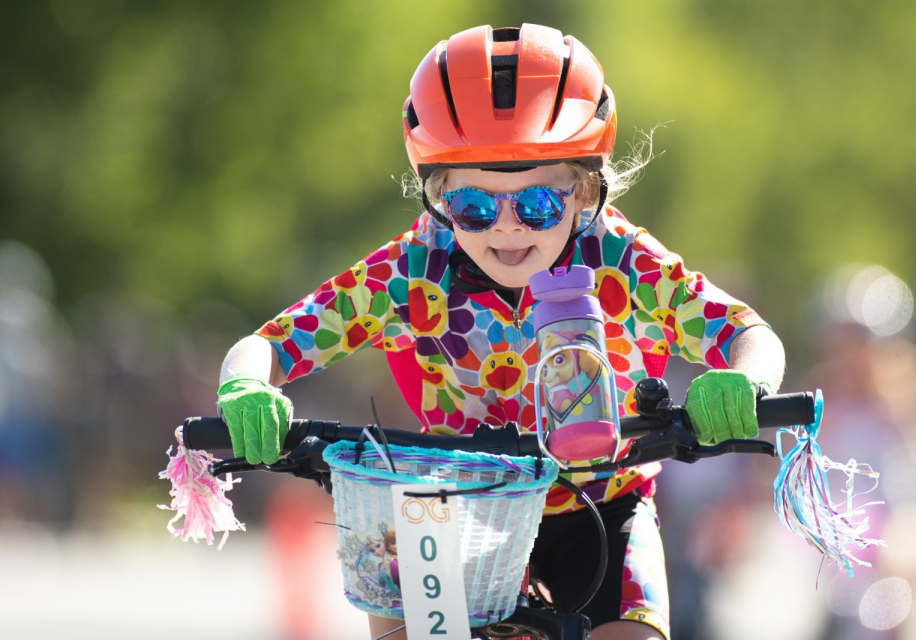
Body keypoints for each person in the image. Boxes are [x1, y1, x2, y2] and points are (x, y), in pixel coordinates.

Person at [216, 24, 785, 640]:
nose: (508, 229)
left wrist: (741, 380)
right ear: (438, 198)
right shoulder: (411, 268)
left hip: (600, 505)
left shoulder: (619, 255)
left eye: (539, 203)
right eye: (476, 208)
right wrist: (246, 386)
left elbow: (750, 335)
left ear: (586, 188)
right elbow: (268, 346)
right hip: (448, 505)